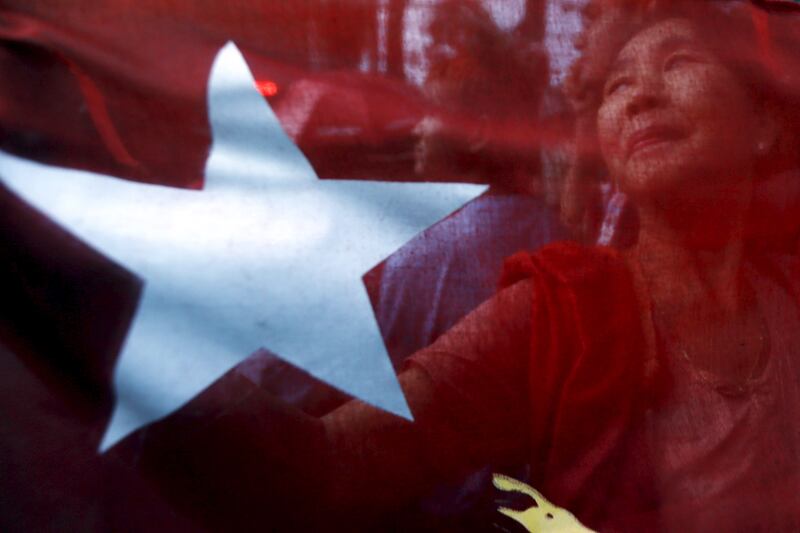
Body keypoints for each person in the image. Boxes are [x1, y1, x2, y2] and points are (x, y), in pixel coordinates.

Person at [112, 2, 800, 531]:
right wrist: (116, 319)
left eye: (678, 62)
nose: (641, 95)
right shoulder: (558, 313)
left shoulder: (791, 295)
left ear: (766, 125)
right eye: (619, 86)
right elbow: (330, 466)